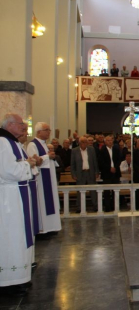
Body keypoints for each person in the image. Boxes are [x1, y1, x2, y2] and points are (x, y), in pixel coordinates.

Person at [0, 114, 38, 296]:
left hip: (18, 194)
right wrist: (28, 164)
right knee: (11, 235)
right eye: (21, 124)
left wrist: (27, 164)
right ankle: (9, 280)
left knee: (20, 234)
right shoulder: (2, 142)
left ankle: (20, 277)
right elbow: (8, 171)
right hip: (9, 198)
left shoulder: (13, 143)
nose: (24, 127)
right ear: (10, 125)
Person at [27, 122, 62, 236]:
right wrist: (48, 156)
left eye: (49, 130)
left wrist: (50, 157)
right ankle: (43, 229)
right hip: (41, 180)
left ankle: (51, 227)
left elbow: (46, 159)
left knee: (50, 203)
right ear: (38, 132)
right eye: (46, 130)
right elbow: (34, 162)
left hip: (49, 179)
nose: (49, 132)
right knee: (42, 203)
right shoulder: (32, 145)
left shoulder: (44, 144)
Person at [71, 136, 99, 212]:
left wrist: (97, 172)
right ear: (79, 143)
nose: (84, 144)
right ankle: (79, 207)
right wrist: (73, 174)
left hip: (90, 172)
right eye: (82, 142)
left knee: (93, 191)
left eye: (85, 142)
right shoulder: (74, 151)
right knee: (80, 191)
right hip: (80, 173)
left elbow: (95, 161)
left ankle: (95, 206)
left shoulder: (91, 150)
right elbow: (73, 164)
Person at [98, 135, 122, 212]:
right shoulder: (102, 150)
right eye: (108, 140)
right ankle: (107, 207)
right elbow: (101, 162)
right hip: (106, 173)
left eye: (111, 140)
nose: (110, 142)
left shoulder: (116, 149)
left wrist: (115, 167)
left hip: (115, 172)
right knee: (107, 191)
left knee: (116, 191)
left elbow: (119, 159)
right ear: (105, 142)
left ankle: (116, 206)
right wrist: (109, 168)